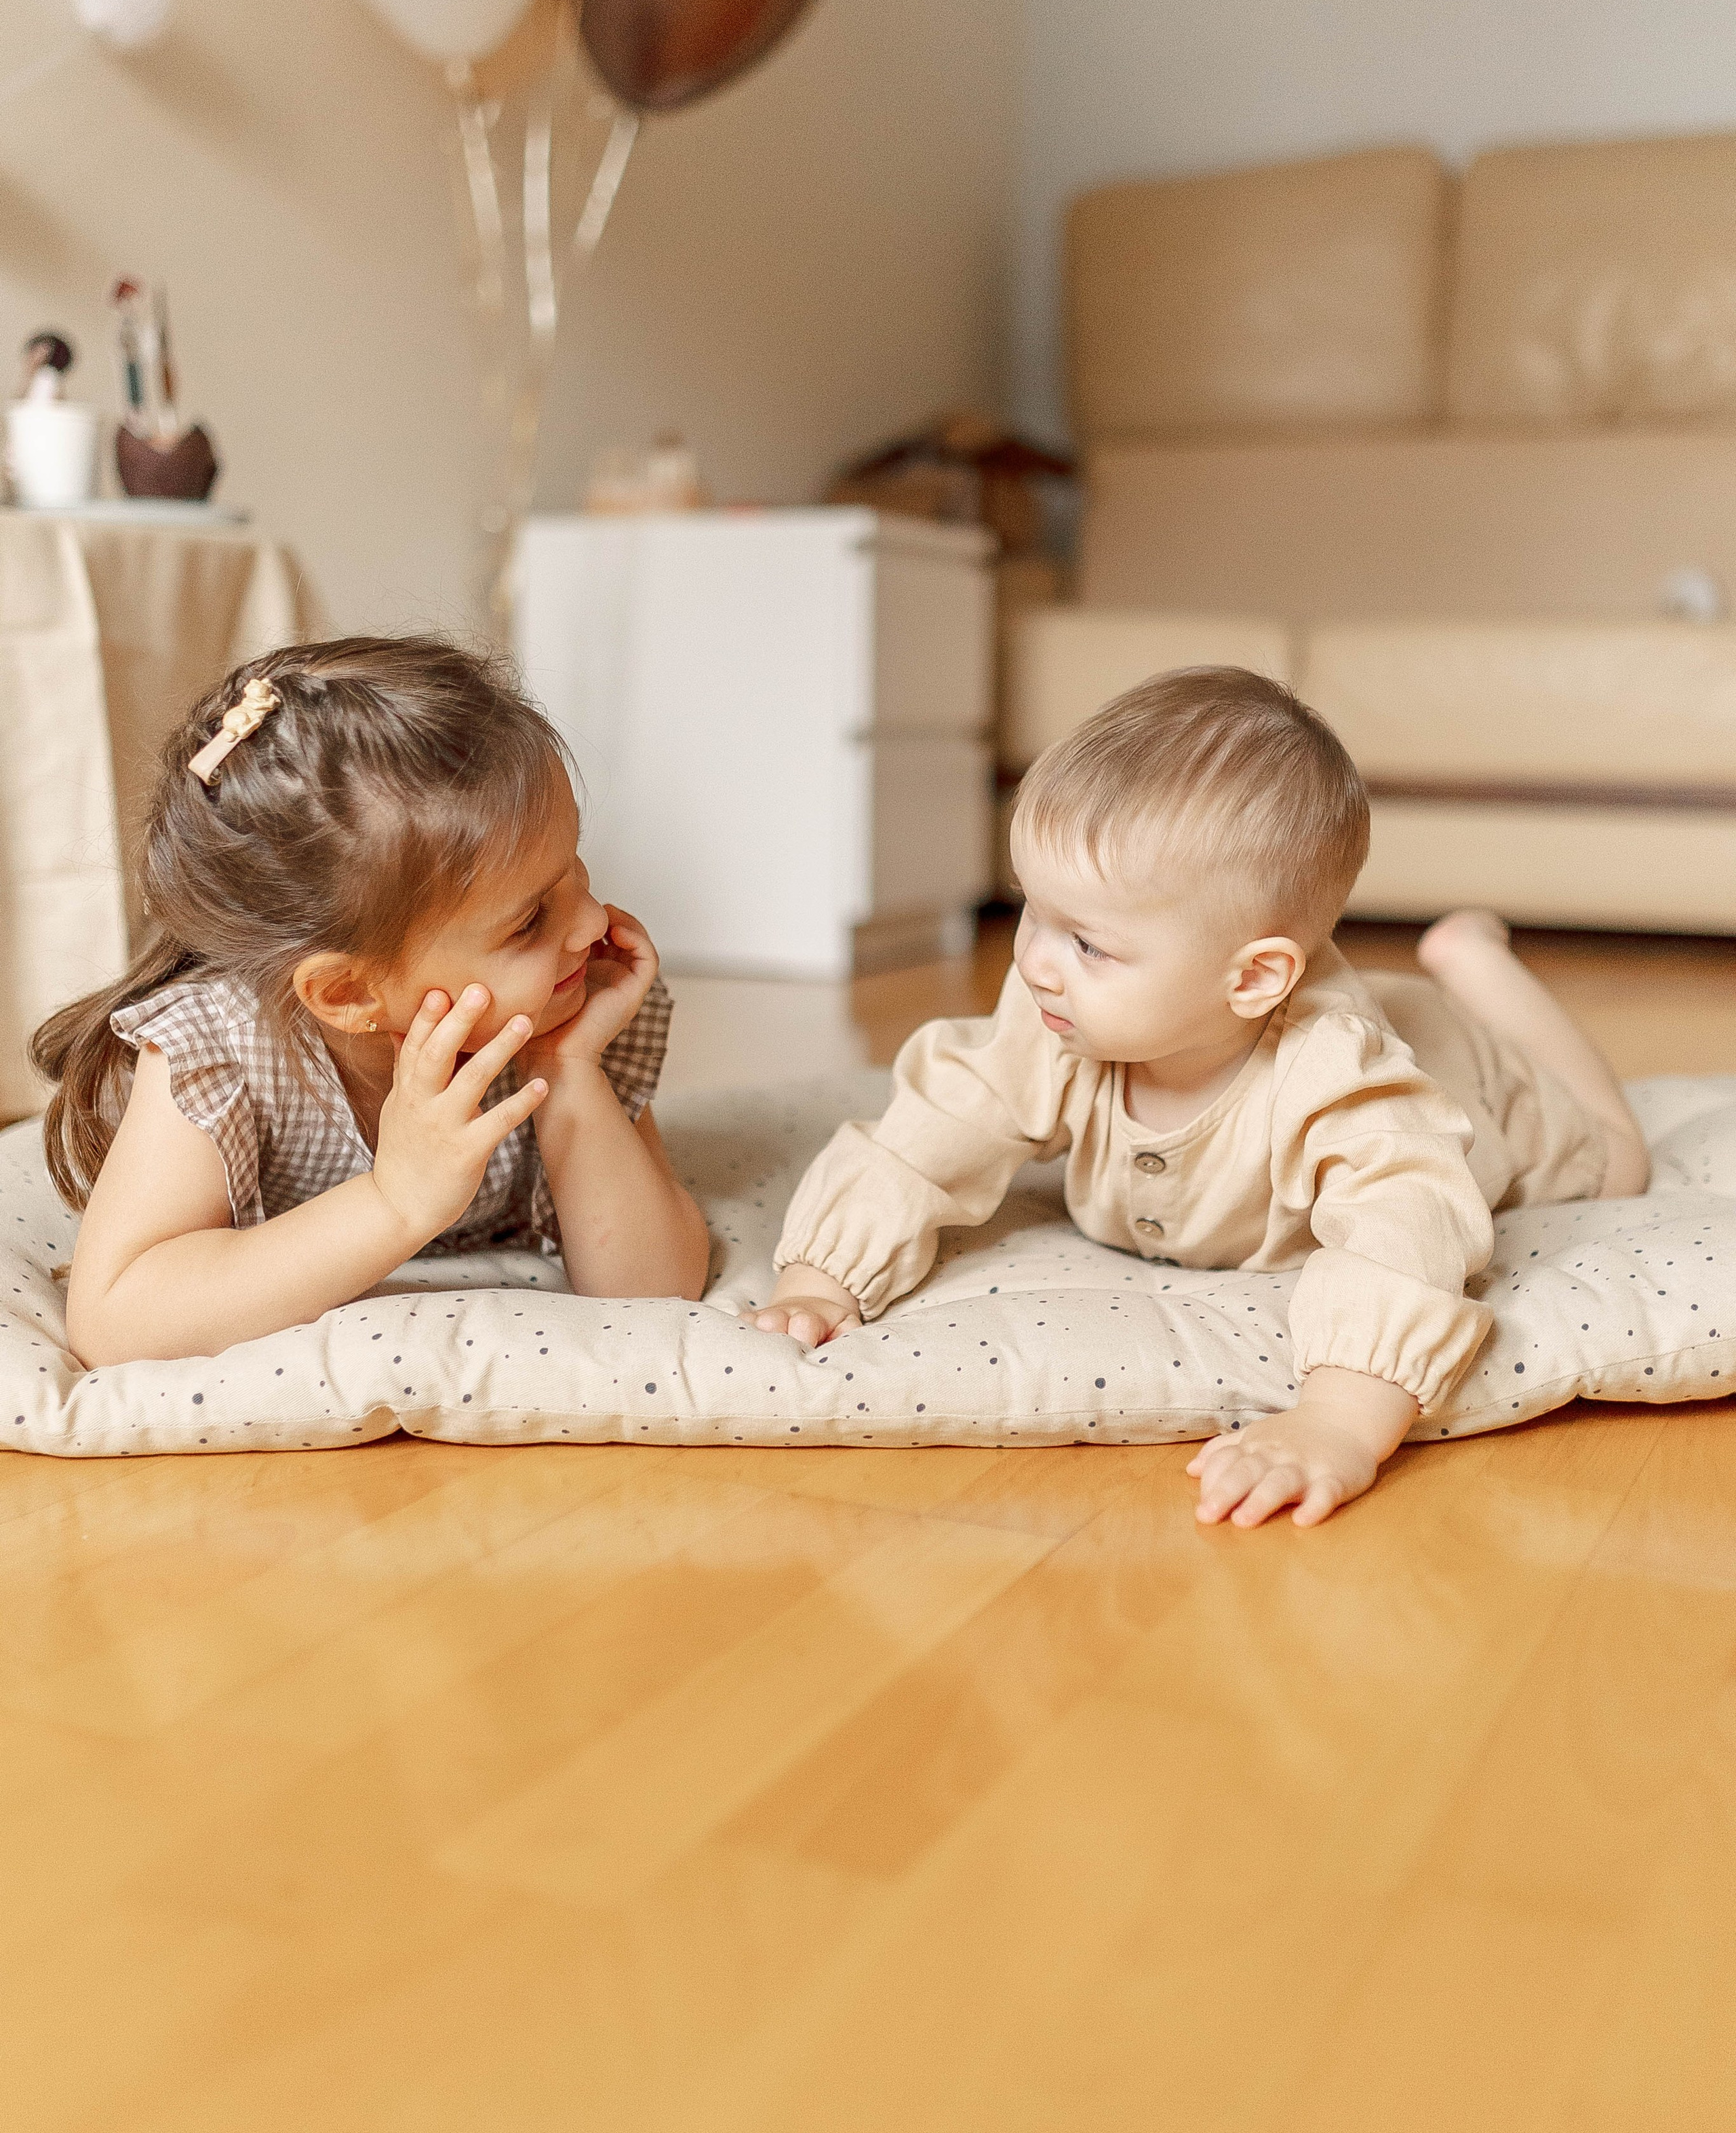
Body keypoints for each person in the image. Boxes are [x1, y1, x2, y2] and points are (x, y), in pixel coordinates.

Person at [753, 666, 1649, 1528]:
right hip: (1295, 999)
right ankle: (1432, 977)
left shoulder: (1340, 1080)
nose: (1034, 961)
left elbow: (1405, 1233)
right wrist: (825, 1271)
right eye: (1034, 908)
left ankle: (1478, 963)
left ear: (1254, 978)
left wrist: (1337, 1422)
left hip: (1471, 1081)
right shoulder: (1057, 1013)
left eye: (1089, 944)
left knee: (1617, 1157)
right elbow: (937, 1124)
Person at [35, 637, 709, 1371]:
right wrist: (395, 1202)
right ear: (349, 993)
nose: (589, 923)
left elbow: (654, 1289)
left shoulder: (563, 1005)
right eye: (529, 921)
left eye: (575, 867)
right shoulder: (221, 1050)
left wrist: (568, 1067)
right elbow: (114, 1323)